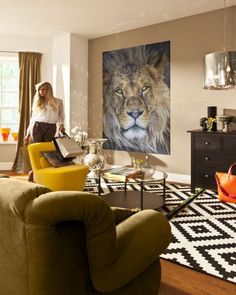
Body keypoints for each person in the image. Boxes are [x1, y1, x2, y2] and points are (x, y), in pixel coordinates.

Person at [24, 81, 65, 180]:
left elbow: (61, 115)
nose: (41, 92)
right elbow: (33, 118)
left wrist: (62, 124)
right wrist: (27, 134)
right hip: (37, 127)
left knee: (47, 149)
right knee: (37, 150)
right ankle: (34, 173)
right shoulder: (38, 102)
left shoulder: (58, 101)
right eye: (39, 90)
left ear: (49, 90)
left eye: (43, 89)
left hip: (51, 127)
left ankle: (40, 172)